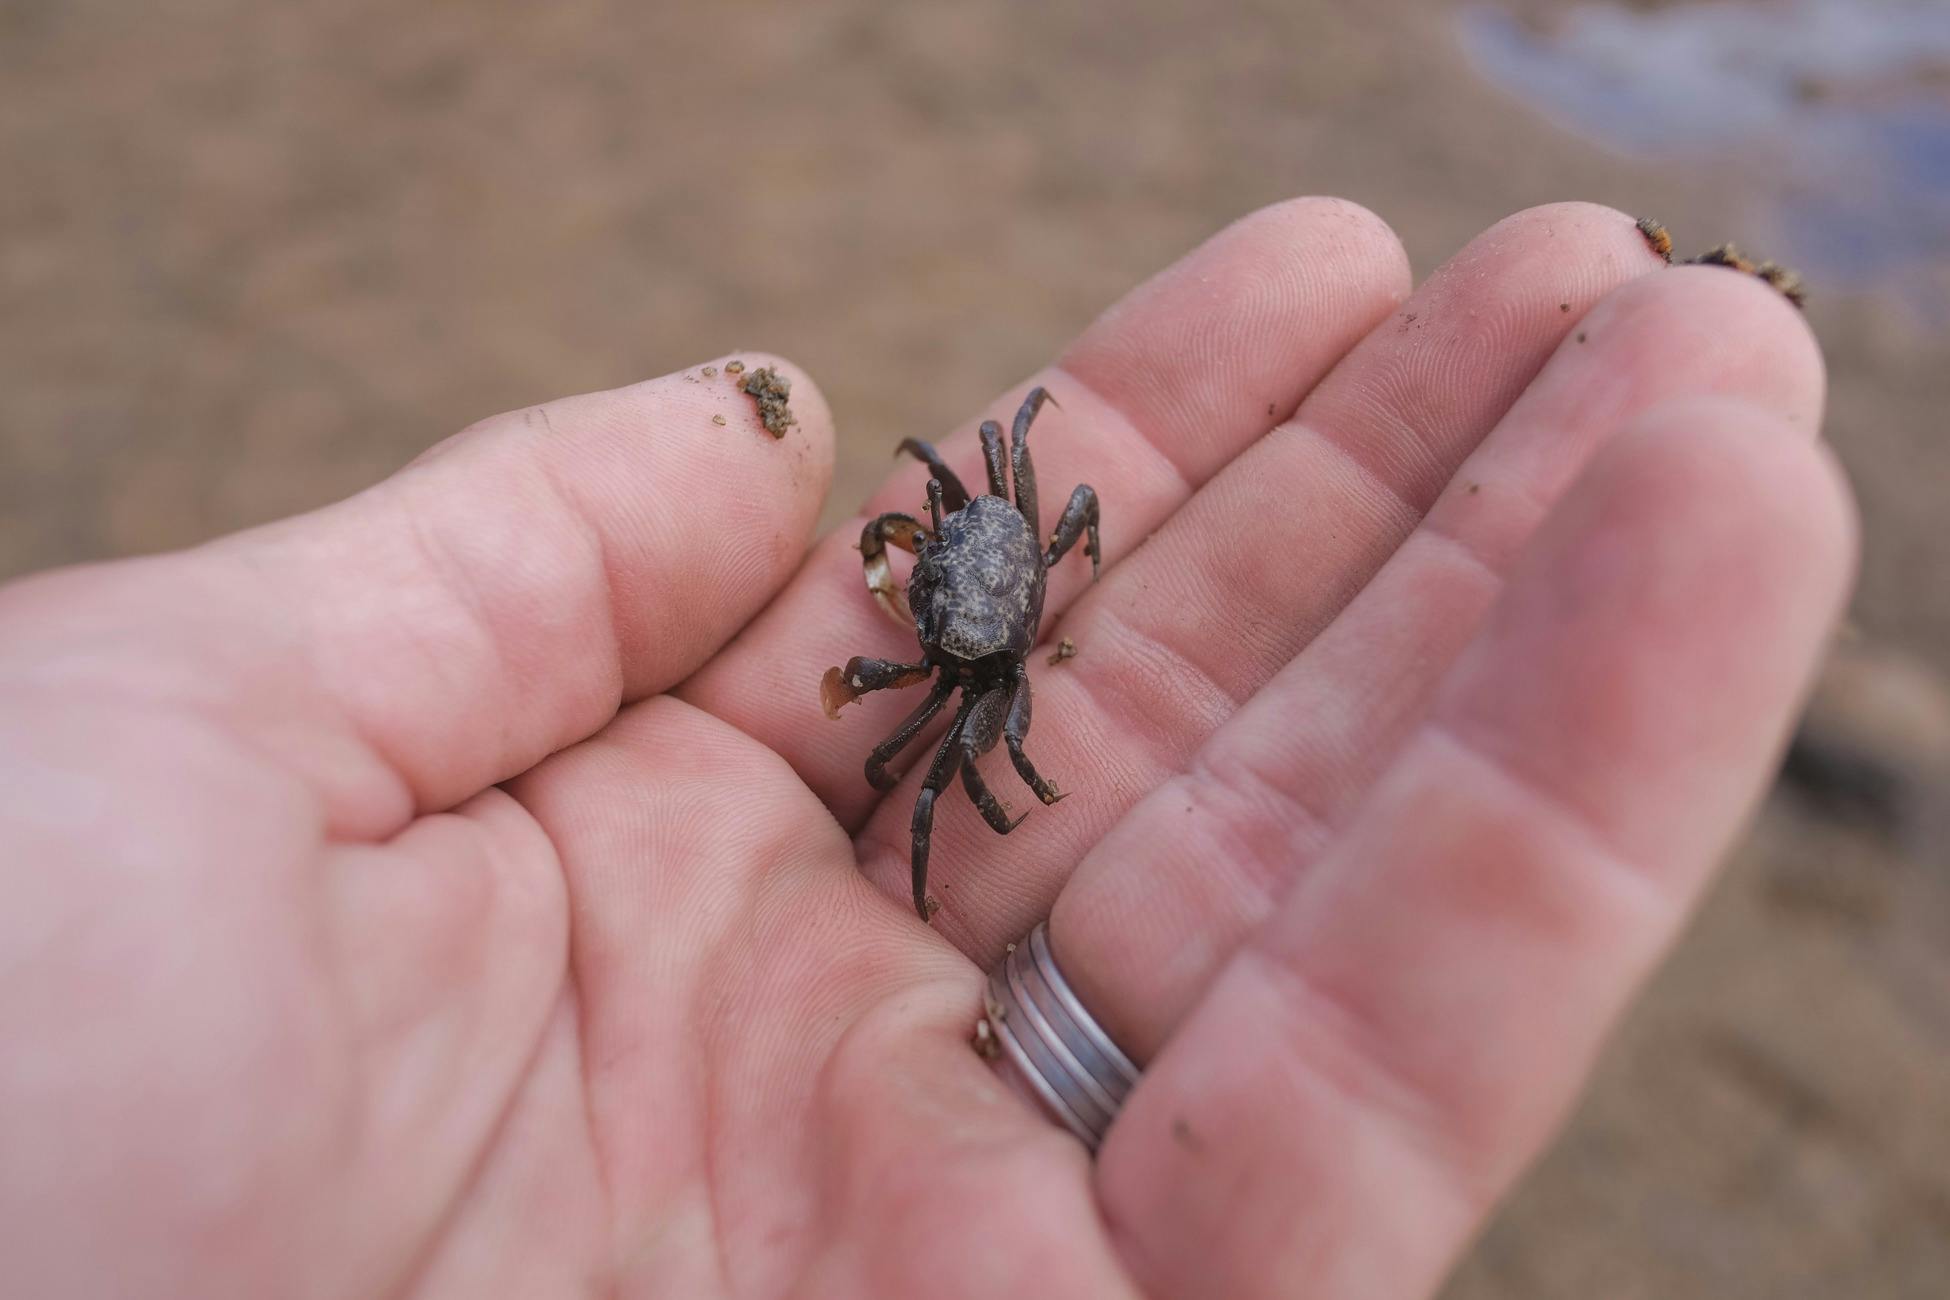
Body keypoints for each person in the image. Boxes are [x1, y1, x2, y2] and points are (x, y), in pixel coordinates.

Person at [0, 199, 1852, 1299]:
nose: (905, 577)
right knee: (956, 679)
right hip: (989, 623)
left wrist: (979, 666)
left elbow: (985, 604)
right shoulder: (973, 570)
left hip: (999, 635)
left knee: (968, 741)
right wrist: (938, 599)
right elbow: (968, 522)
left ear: (1015, 565)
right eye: (917, 563)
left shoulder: (994, 603)